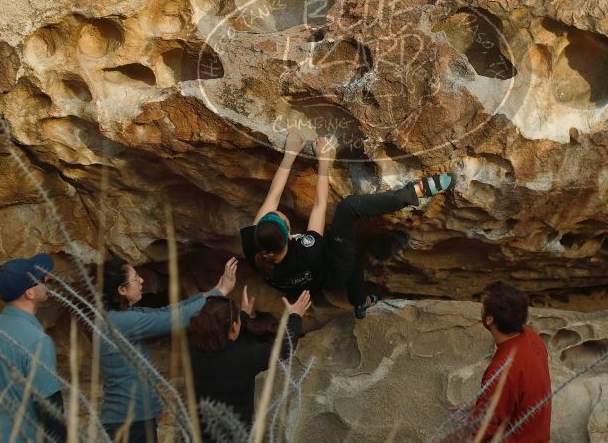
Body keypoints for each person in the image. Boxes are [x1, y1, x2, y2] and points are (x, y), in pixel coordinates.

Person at [240, 132, 455, 318]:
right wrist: (324, 161)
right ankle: (414, 192)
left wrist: (289, 155)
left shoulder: (256, 246)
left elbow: (273, 196)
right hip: (333, 272)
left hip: (305, 283)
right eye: (282, 218)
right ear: (289, 236)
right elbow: (319, 206)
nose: (277, 211)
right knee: (348, 208)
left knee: (355, 249)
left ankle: (360, 303)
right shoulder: (307, 249)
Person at [99, 257, 237, 443]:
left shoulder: (119, 316)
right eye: (136, 278)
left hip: (132, 419)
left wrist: (213, 292)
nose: (141, 281)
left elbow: (166, 312)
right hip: (129, 422)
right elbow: (173, 320)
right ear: (122, 290)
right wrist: (221, 292)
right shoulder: (120, 322)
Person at [189, 286, 311, 440]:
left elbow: (224, 344)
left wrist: (243, 317)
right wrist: (295, 316)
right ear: (234, 326)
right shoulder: (247, 357)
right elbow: (285, 348)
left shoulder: (194, 352)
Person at [0, 253, 66, 443]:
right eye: (42, 279)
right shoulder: (37, 341)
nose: (47, 280)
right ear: (29, 293)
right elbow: (51, 412)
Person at [469, 282, 551, 442]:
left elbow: (483, 433)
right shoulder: (532, 338)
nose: (480, 309)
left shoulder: (500, 373)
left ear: (490, 319)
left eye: (483, 306)